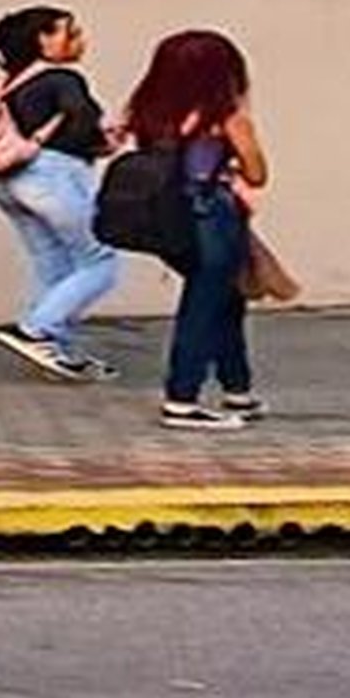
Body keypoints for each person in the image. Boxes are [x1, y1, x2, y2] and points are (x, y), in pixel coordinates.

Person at [118, 26, 269, 429]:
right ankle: (182, 398)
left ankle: (238, 389)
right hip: (212, 217)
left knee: (225, 300)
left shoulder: (149, 113)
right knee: (204, 305)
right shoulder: (226, 117)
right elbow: (257, 174)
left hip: (167, 218)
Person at [0, 0, 119, 380]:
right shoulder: (62, 79)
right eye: (70, 32)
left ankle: (57, 349)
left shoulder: (12, 85)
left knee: (54, 264)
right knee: (100, 260)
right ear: (43, 40)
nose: (79, 40)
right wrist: (98, 142)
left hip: (9, 180)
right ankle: (37, 331)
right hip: (51, 176)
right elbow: (82, 117)